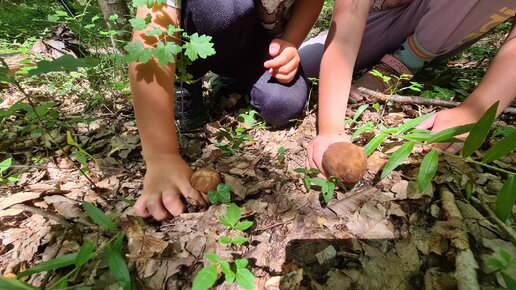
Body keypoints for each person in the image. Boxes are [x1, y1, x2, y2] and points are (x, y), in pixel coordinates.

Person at [129, 0, 324, 220]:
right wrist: (161, 155)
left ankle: (233, 81)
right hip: (203, 31)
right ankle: (186, 82)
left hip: (259, 44)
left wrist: (289, 42)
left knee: (282, 103)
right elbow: (151, 37)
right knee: (225, 9)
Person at [303, 0, 516, 176]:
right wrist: (331, 129)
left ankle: (404, 62)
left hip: (452, 23)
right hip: (382, 14)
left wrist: (476, 110)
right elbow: (350, 13)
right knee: (302, 68)